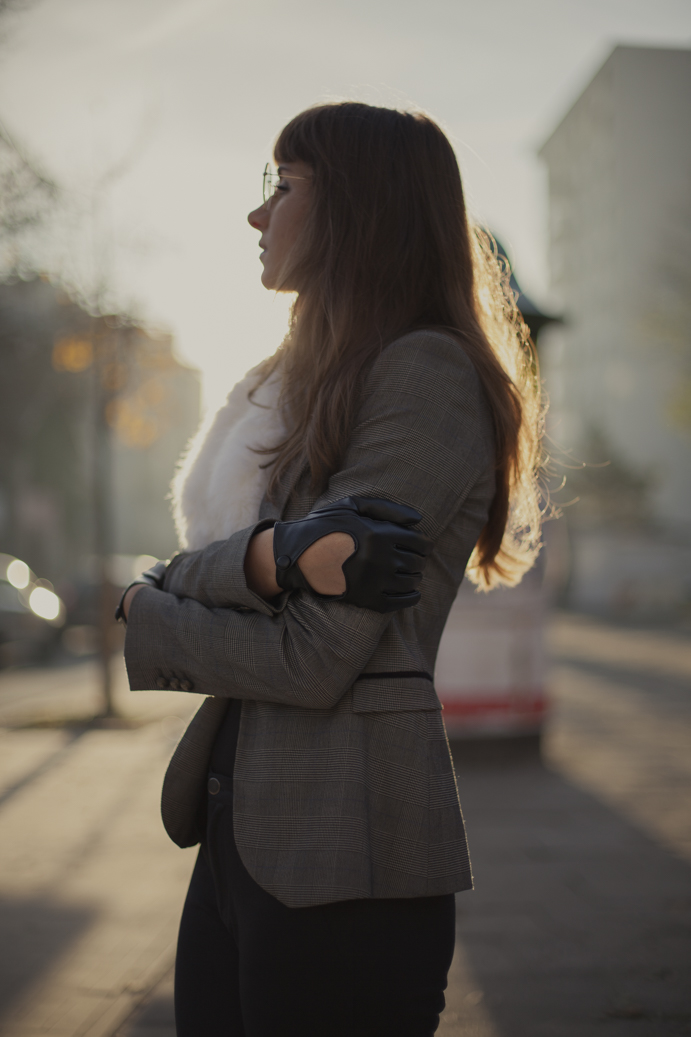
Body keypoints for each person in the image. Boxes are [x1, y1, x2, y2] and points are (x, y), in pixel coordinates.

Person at [119, 102, 543, 1037]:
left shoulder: (424, 375)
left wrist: (144, 606)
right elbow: (240, 569)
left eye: (284, 184)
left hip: (348, 859)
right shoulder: (292, 388)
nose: (257, 215)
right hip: (244, 835)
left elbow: (312, 657)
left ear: (360, 205)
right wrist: (271, 560)